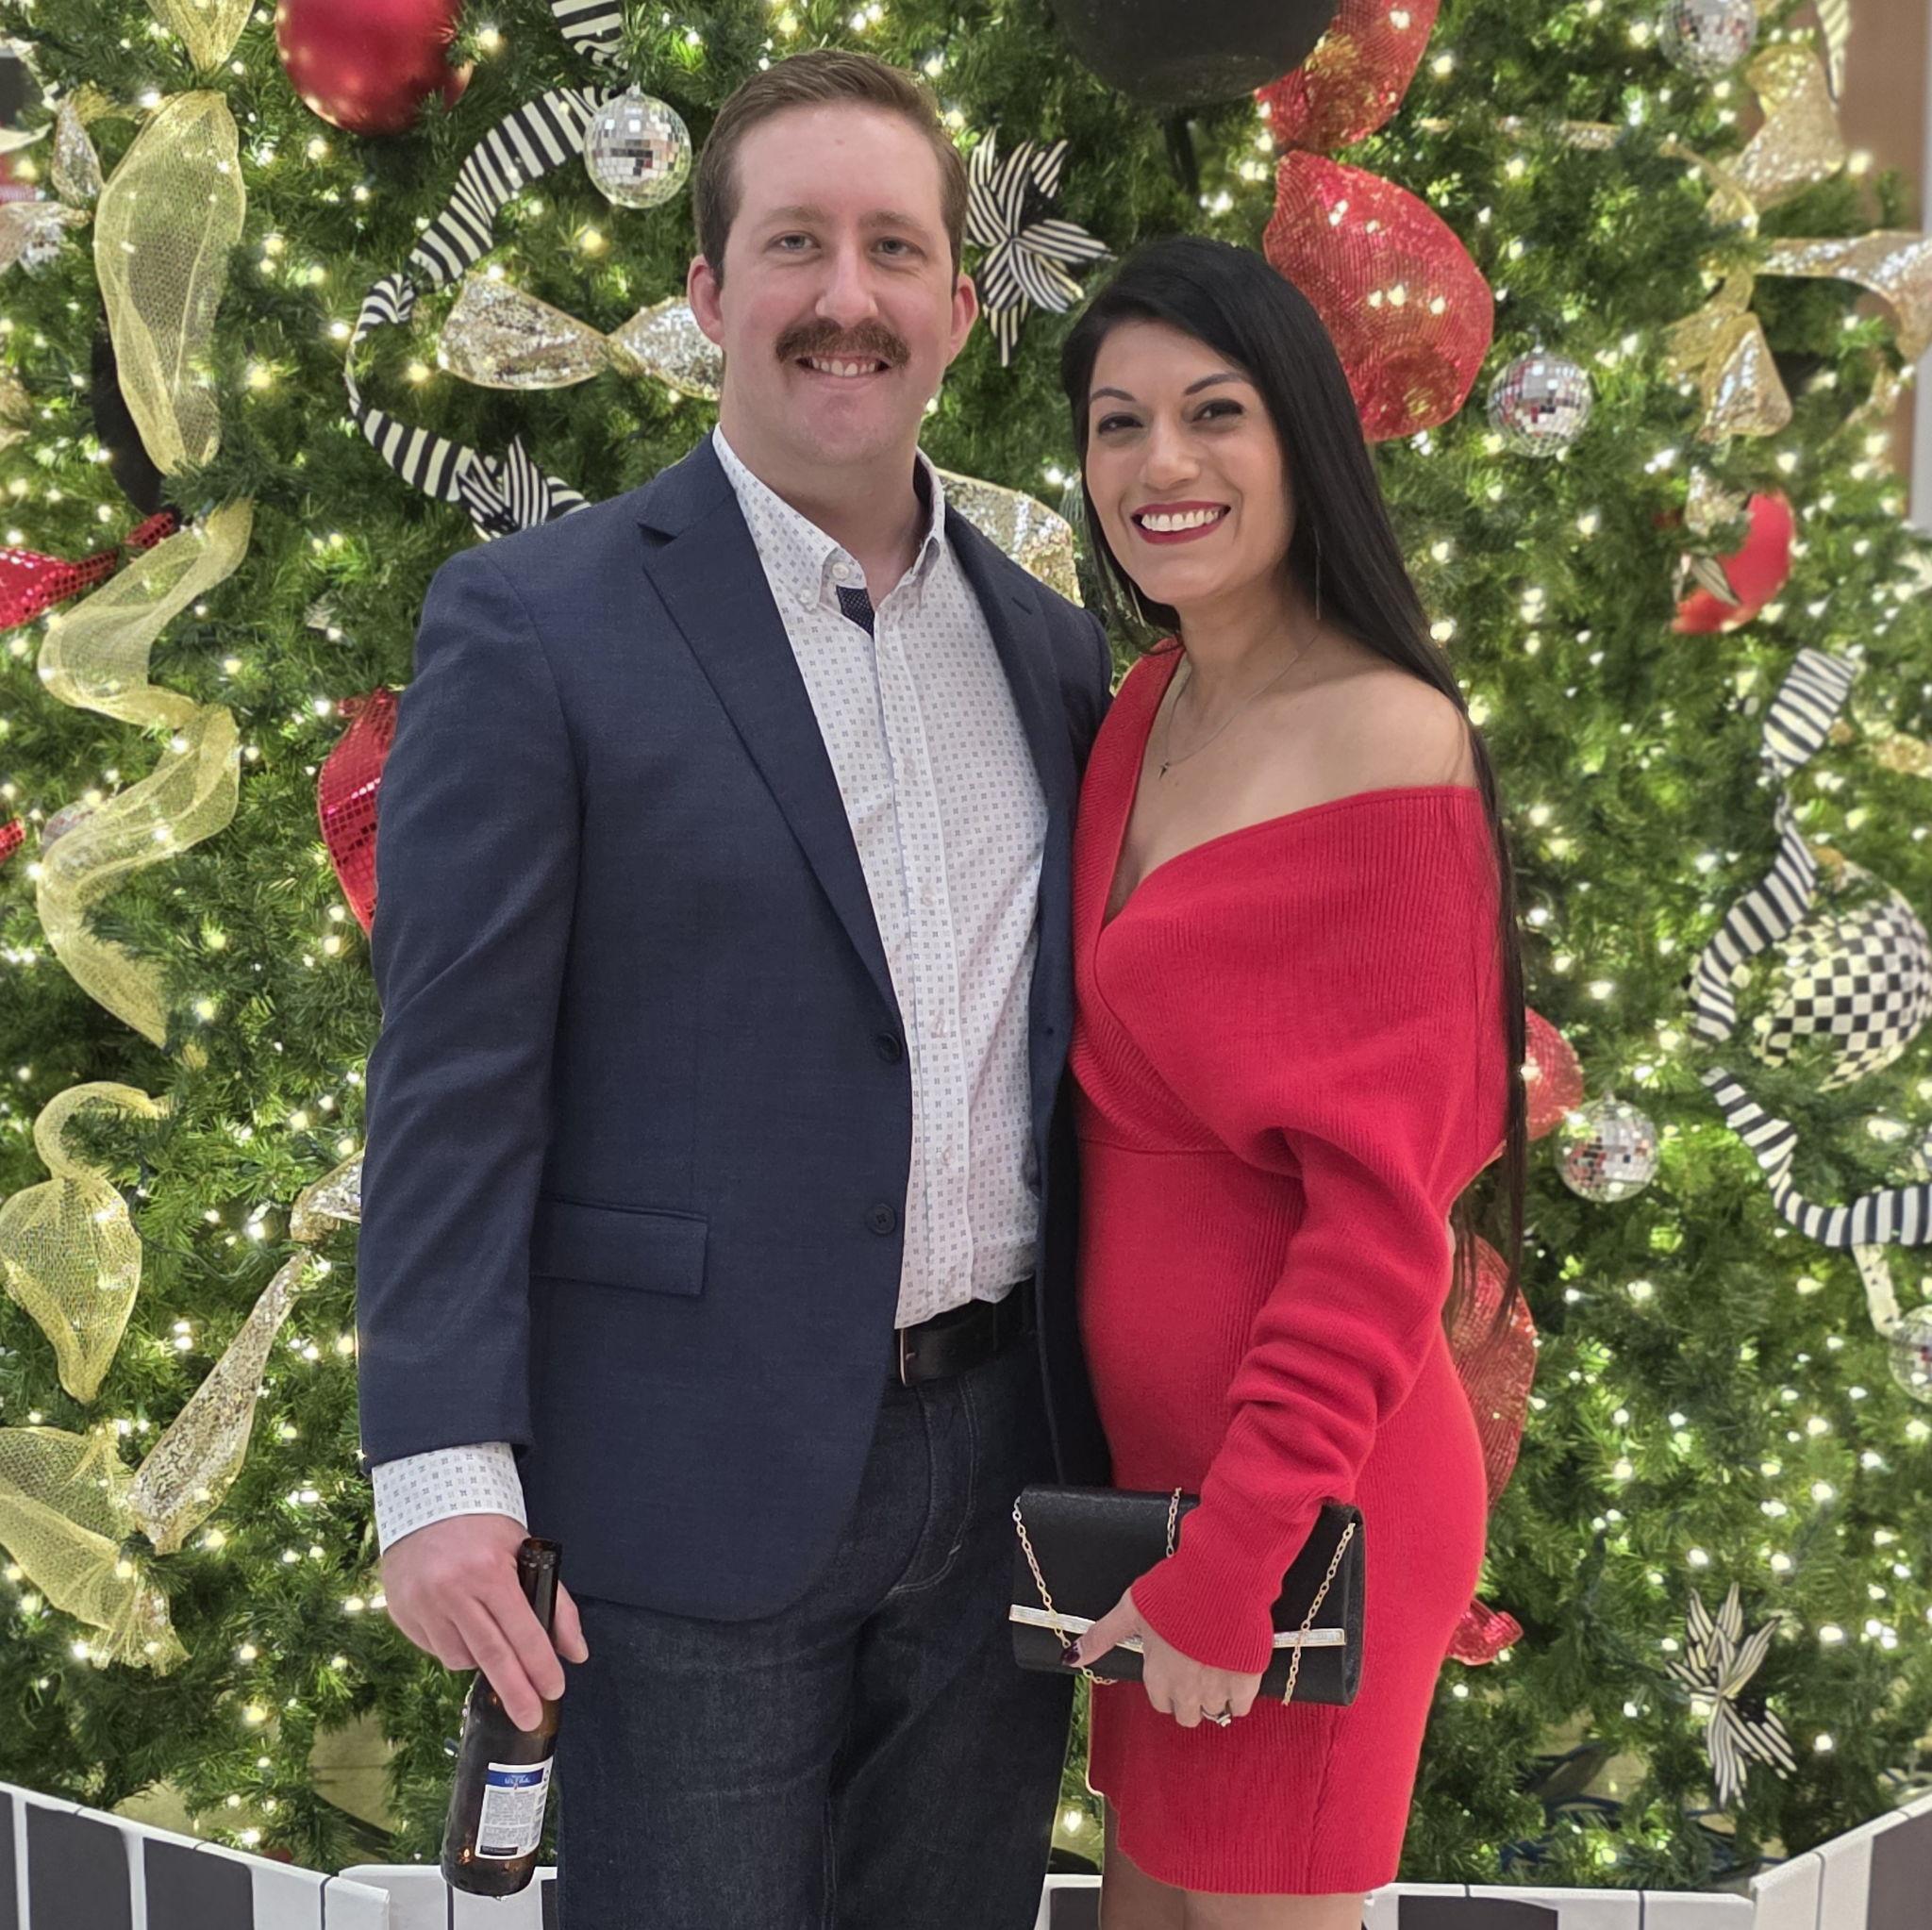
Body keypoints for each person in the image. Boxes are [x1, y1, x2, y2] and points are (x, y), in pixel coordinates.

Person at [353, 49, 1113, 1930]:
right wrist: (437, 1461)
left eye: (893, 248)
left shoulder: (1052, 649)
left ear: (957, 305)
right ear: (706, 293)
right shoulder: (535, 623)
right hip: (681, 1475)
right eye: (794, 244)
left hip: (1002, 1475)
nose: (847, 296)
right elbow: (453, 1074)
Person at [1054, 236, 1528, 1928]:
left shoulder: (1388, 742)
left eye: (1214, 412)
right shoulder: (1144, 707)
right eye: (1117, 423)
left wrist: (1237, 1560)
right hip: (1156, 1505)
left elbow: (1383, 1228)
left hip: (1305, 1517)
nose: (1159, 463)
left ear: (1301, 435)